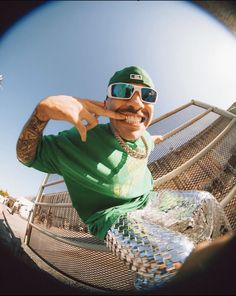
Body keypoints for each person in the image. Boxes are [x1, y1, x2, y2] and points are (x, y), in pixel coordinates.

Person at [16, 66, 231, 290]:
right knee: (176, 258)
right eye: (123, 91)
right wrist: (42, 112)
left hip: (150, 200)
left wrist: (155, 139)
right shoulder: (79, 141)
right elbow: (26, 156)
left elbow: (150, 139)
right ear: (106, 102)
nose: (137, 103)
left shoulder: (144, 139)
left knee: (206, 201)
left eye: (147, 95)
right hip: (114, 217)